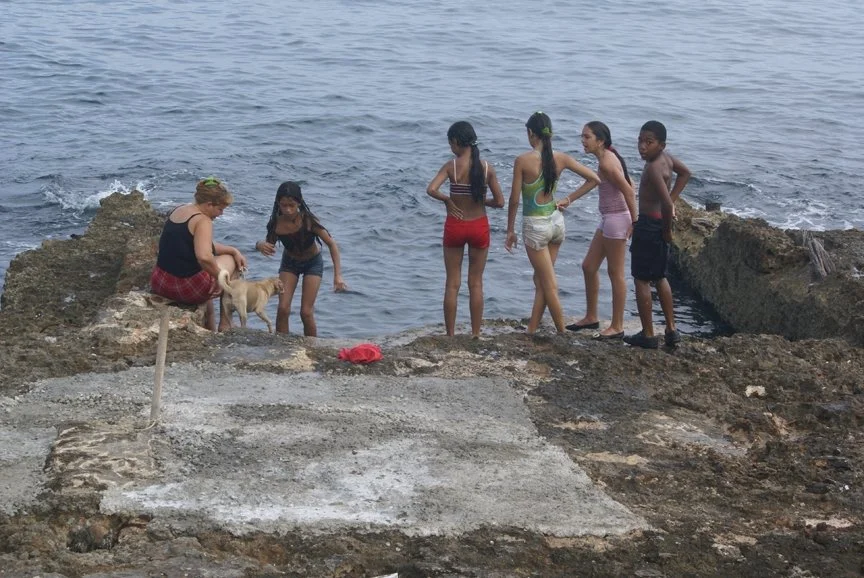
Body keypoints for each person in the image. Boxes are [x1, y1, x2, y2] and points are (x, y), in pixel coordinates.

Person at [505, 111, 601, 335]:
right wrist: (568, 199)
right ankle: (531, 329)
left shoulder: (523, 161)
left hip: (536, 227)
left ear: (531, 133)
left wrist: (510, 230)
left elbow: (514, 200)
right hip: (556, 223)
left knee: (548, 284)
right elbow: (594, 179)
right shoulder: (561, 158)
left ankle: (561, 332)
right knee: (541, 280)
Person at [426, 121, 505, 337]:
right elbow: (500, 202)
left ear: (456, 142)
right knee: (476, 283)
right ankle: (476, 334)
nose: (450, 148)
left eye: (450, 143)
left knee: (452, 283)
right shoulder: (487, 168)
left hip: (455, 225)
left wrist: (447, 200)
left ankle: (450, 335)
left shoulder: (451, 166)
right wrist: (480, 200)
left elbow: (431, 189)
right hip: (479, 225)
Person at [566, 121, 637, 339]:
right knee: (588, 266)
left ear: (600, 141)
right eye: (582, 136)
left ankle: (617, 326)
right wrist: (568, 200)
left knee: (616, 274)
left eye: (587, 137)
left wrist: (635, 222)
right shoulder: (607, 158)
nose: (583, 141)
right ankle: (591, 317)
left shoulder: (607, 162)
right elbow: (627, 182)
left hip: (617, 220)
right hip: (608, 218)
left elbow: (628, 190)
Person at [623, 120, 691, 349]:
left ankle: (649, 334)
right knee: (661, 277)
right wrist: (673, 200)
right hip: (657, 225)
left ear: (661, 144)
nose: (642, 146)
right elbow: (685, 173)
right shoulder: (667, 159)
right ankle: (672, 330)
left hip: (650, 227)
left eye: (648, 142)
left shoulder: (653, 168)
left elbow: (664, 204)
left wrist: (667, 232)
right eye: (640, 141)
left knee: (641, 279)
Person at [150, 176, 247, 332]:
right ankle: (226, 324)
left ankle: (210, 327)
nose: (221, 214)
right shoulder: (203, 220)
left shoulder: (180, 209)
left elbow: (199, 243)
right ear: (209, 205)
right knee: (231, 263)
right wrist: (221, 279)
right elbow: (204, 257)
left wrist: (233, 249)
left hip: (160, 282)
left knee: (215, 264)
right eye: (220, 209)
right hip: (183, 288)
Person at [254, 181, 347, 336]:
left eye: (292, 205)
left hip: (312, 263)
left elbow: (332, 245)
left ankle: (311, 348)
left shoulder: (308, 221)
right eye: (284, 205)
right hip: (289, 264)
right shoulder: (275, 224)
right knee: (283, 308)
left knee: (306, 312)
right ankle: (282, 345)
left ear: (299, 202)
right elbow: (267, 245)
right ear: (278, 203)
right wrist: (259, 245)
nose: (288, 210)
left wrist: (338, 276)